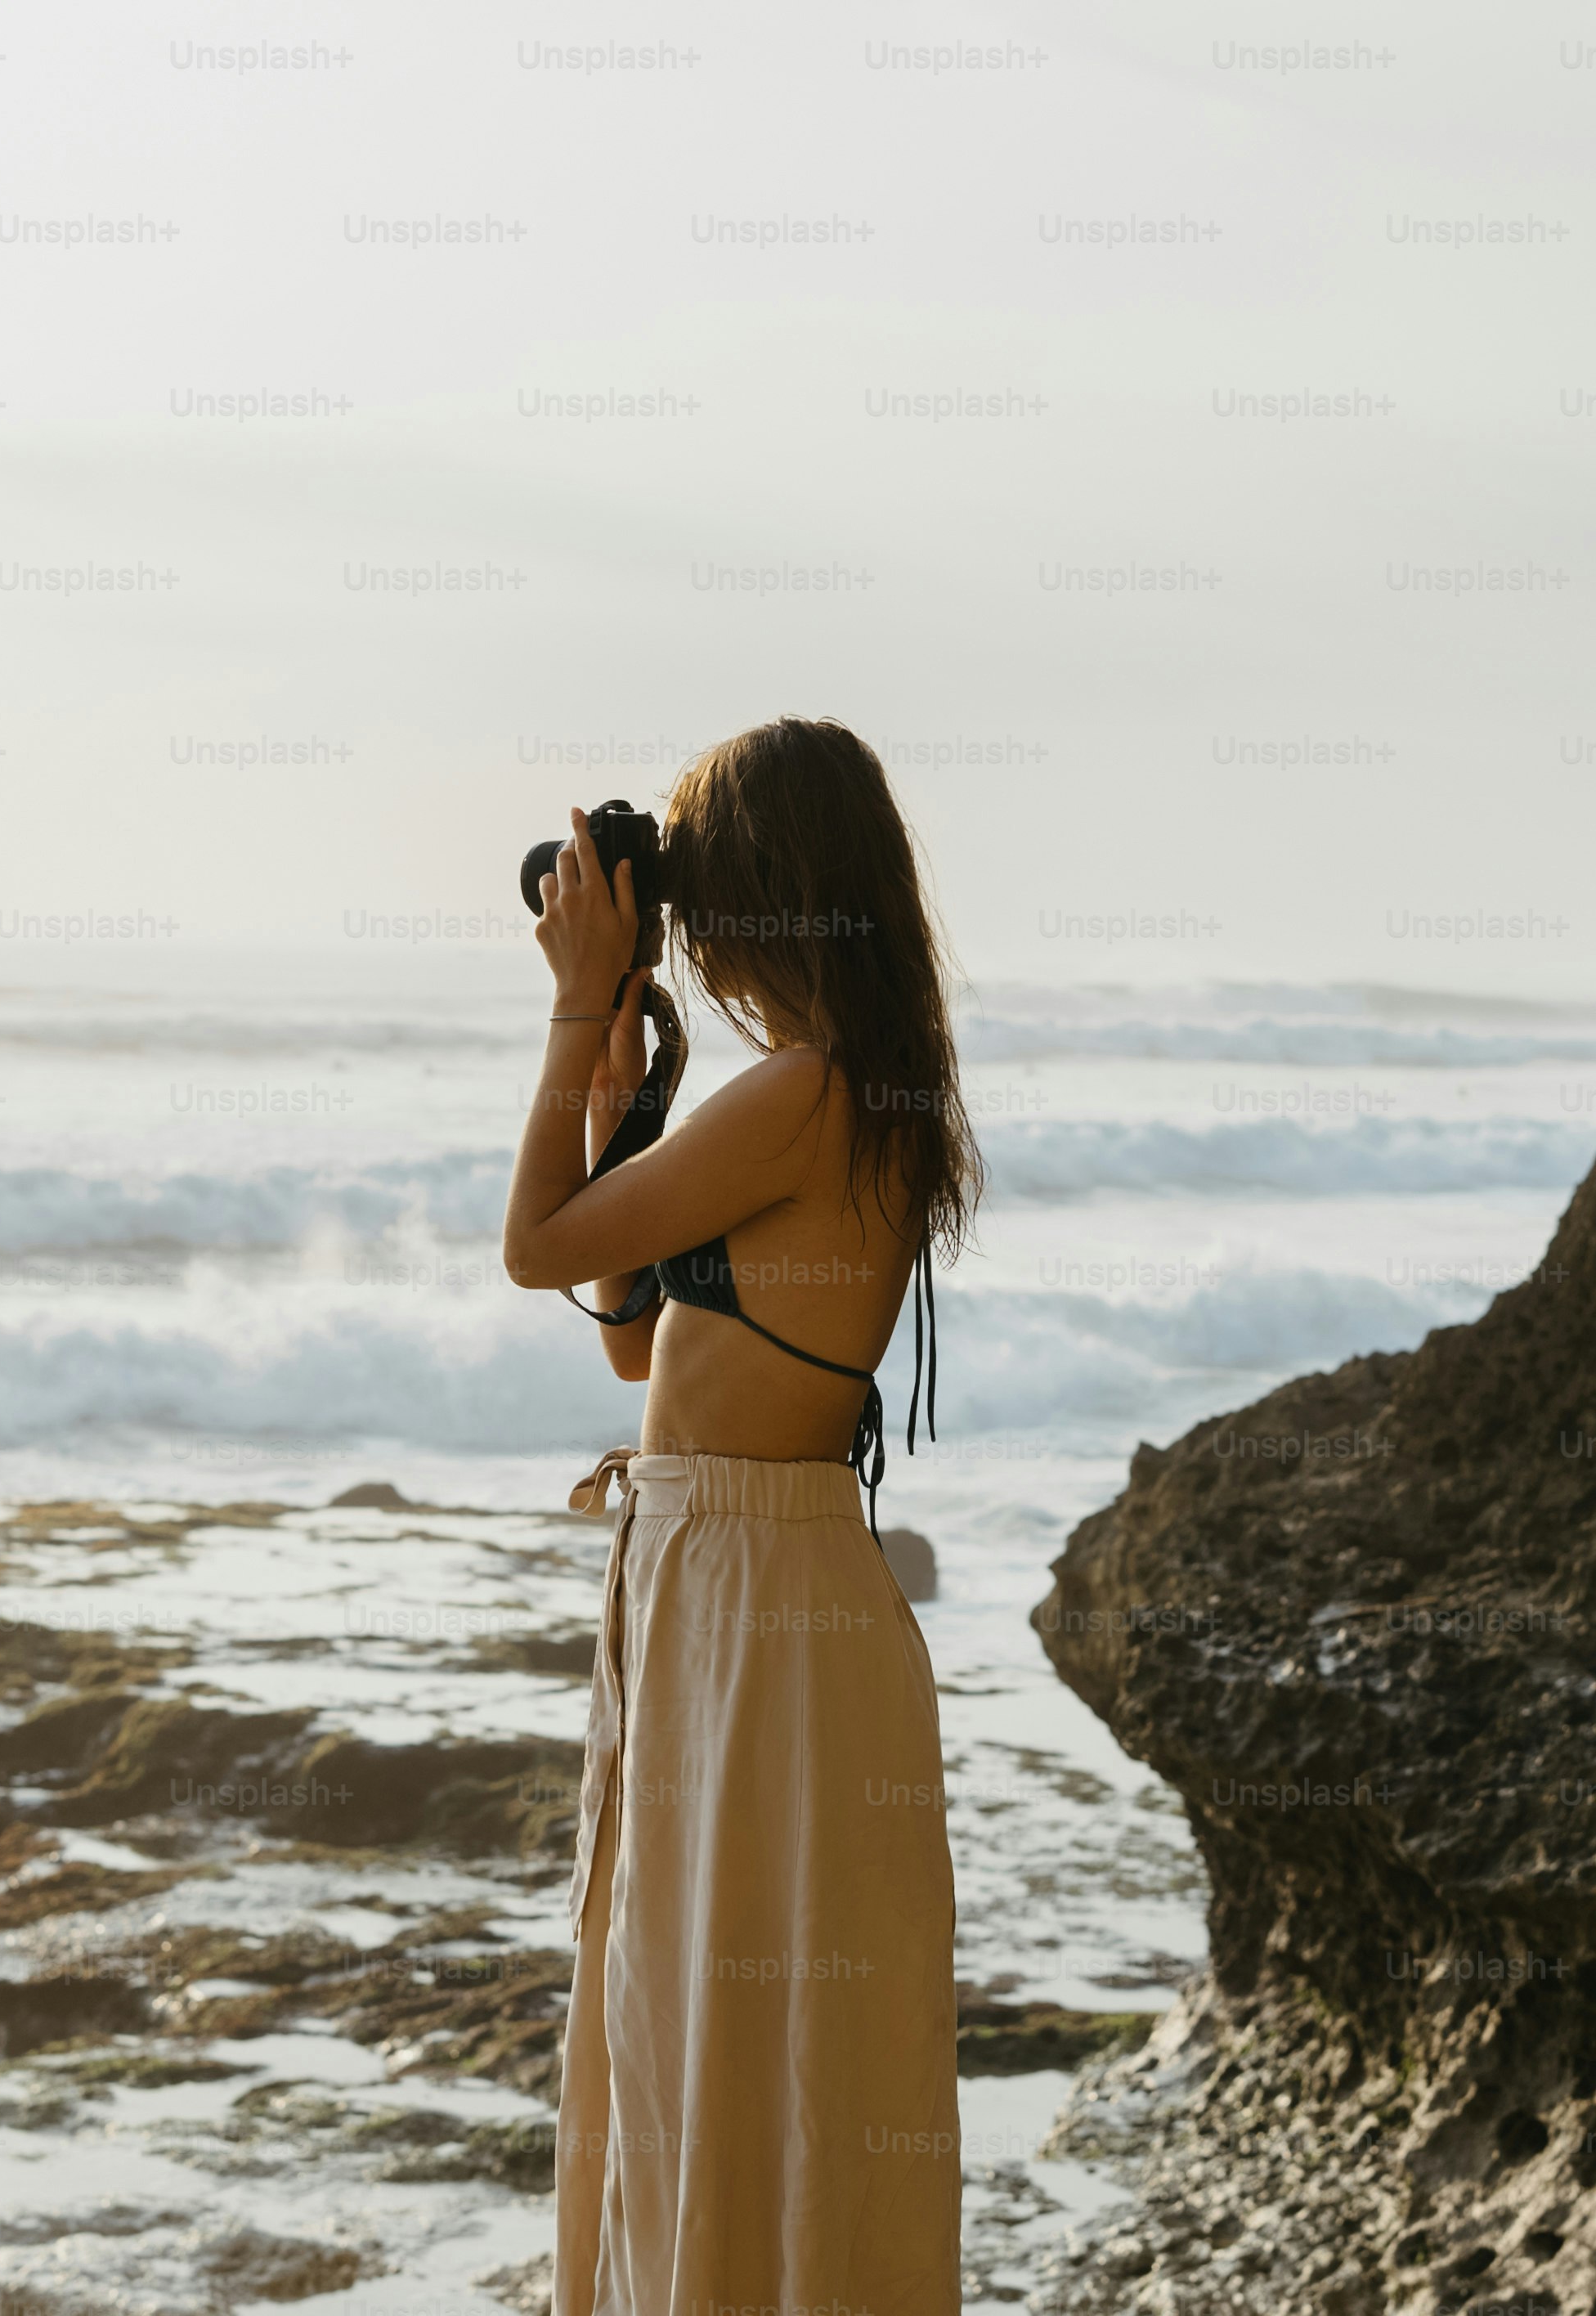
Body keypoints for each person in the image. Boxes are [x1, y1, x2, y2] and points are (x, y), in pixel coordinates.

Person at [503, 717, 978, 2315]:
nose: (683, 931)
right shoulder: (836, 1093)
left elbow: (531, 1248)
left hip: (745, 1605)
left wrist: (577, 1006)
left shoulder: (805, 1096)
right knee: (717, 2042)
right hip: (733, 1590)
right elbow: (637, 1331)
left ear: (763, 897)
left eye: (703, 898)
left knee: (717, 2037)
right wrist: (623, 1101)